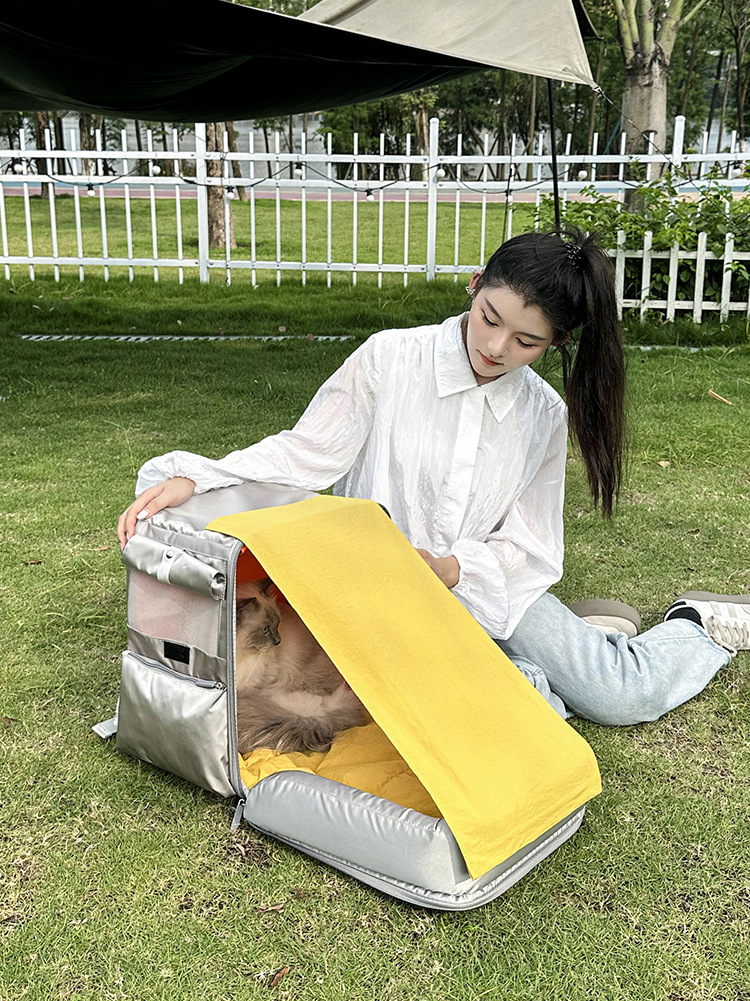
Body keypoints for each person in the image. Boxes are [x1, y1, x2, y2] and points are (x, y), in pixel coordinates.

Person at [118, 229, 749, 725]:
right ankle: (572, 646)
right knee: (507, 707)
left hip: (489, 590)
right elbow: (305, 452)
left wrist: (449, 569)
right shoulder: (390, 358)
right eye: (490, 318)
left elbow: (529, 545)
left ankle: (694, 625)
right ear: (474, 286)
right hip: (387, 603)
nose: (497, 348)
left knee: (622, 696)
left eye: (526, 342)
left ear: (555, 344)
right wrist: (198, 478)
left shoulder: (543, 414)